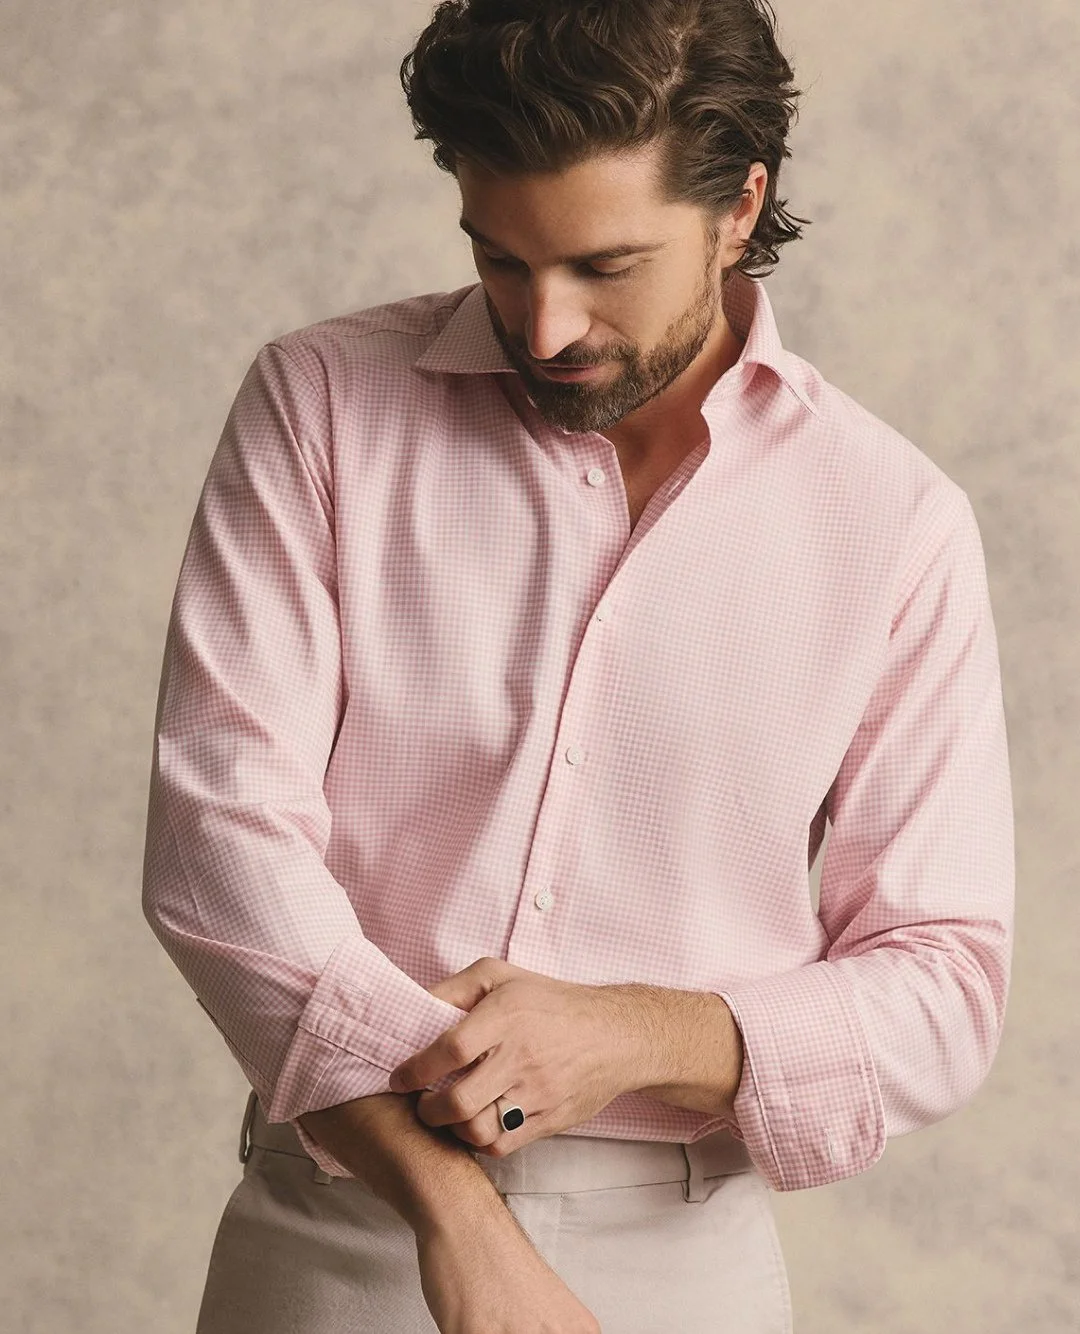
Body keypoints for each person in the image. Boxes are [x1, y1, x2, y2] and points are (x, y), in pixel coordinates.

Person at [141, 1, 1015, 1330]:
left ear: (739, 208)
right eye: (500, 259)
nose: (545, 327)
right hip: (345, 1220)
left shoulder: (894, 524)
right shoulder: (320, 407)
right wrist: (454, 1208)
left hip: (685, 1261)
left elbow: (943, 980)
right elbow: (219, 844)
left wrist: (634, 1031)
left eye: (607, 266)